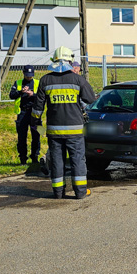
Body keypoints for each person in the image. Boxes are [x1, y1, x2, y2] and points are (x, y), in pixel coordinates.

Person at [31, 46, 96, 199]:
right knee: (77, 160)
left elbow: (37, 110)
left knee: (56, 162)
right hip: (75, 132)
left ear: (53, 60)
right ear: (70, 61)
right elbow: (90, 98)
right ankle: (80, 192)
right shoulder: (77, 79)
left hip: (54, 131)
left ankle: (58, 193)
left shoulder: (45, 80)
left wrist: (38, 128)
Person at [8, 65, 41, 165]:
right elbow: (11, 95)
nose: (29, 77)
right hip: (22, 113)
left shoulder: (38, 83)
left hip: (35, 113)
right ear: (23, 73)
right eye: (27, 76)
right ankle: (23, 158)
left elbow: (42, 97)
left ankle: (35, 157)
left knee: (36, 135)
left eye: (31, 76)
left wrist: (33, 94)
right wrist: (20, 92)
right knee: (22, 137)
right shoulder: (18, 83)